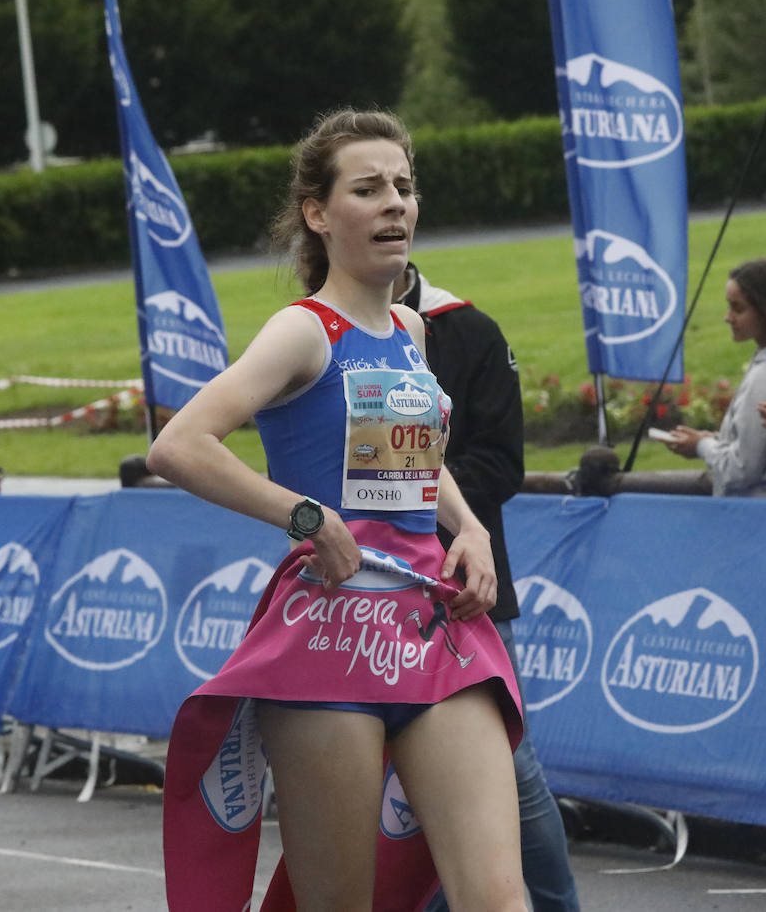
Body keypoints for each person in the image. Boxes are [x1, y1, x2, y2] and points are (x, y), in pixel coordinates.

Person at [147, 109, 527, 911]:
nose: (395, 203)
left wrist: (472, 531)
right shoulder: (301, 332)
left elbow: (418, 459)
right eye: (368, 188)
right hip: (329, 641)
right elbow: (179, 445)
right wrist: (305, 518)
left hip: (433, 631)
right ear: (319, 215)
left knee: (498, 898)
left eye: (404, 186)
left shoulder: (412, 330)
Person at [394, 262, 581, 911]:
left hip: (462, 592)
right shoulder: (317, 329)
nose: (390, 210)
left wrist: (404, 503)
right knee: (399, 783)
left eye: (400, 193)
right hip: (367, 595)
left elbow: (501, 464)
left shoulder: (466, 329)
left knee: (509, 767)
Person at [664, 258, 766, 497]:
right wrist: (715, 440)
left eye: (738, 309)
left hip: (759, 518)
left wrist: (700, 446)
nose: (728, 317)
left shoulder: (765, 377)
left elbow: (740, 470)